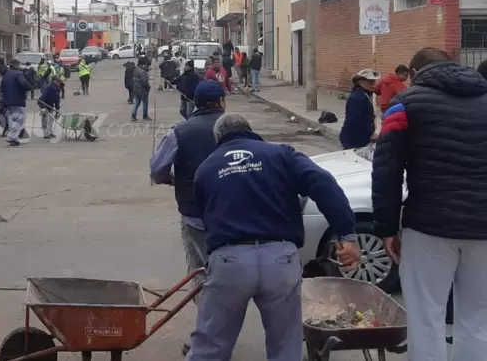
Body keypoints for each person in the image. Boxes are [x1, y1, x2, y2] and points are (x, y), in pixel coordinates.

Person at [188, 112, 360, 360]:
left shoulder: (205, 169)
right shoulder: (281, 155)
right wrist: (346, 233)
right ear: (250, 129)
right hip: (280, 261)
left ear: (218, 137)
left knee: (210, 346)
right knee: (285, 347)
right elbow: (322, 182)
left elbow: (204, 217)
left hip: (230, 262)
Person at [373, 47, 487, 361]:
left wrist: (385, 226)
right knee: (477, 321)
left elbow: (387, 170)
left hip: (428, 228)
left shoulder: (404, 105)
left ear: (412, 73)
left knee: (426, 320)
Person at [150, 81, 228, 354]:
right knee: (226, 273)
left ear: (195, 103)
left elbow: (158, 169)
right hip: (233, 214)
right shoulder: (238, 129)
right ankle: (218, 333)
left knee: (202, 276)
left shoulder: (180, 132)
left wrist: (173, 180)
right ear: (220, 102)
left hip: (195, 215)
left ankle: (209, 339)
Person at [339, 68, 380, 150]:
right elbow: (354, 121)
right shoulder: (357, 98)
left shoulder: (365, 95)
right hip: (355, 141)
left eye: (374, 81)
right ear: (360, 82)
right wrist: (369, 135)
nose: (373, 84)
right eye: (370, 82)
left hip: (359, 139)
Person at [1, 59, 31, 147]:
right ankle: (11, 137)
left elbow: (2, 88)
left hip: (8, 101)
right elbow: (24, 84)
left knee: (12, 120)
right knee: (19, 120)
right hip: (17, 100)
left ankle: (15, 139)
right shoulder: (18, 74)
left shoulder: (6, 75)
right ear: (16, 65)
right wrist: (29, 87)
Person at [131, 56, 152, 121]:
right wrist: (148, 87)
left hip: (135, 89)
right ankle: (145, 116)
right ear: (142, 64)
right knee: (145, 103)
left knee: (136, 103)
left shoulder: (135, 70)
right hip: (143, 91)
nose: (147, 66)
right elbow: (145, 82)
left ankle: (133, 116)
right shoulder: (143, 72)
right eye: (146, 65)